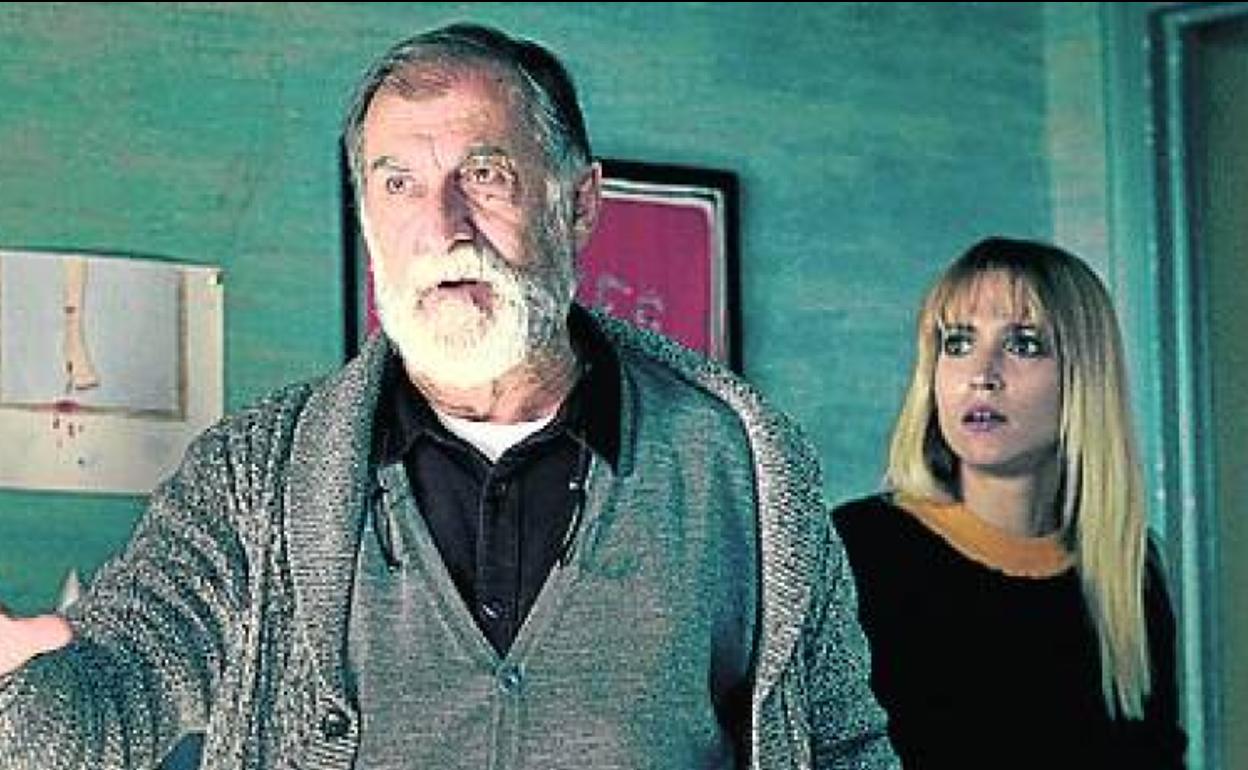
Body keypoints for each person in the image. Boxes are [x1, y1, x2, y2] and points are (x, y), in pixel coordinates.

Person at [0, 22, 898, 770]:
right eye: (399, 184)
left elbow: (844, 745)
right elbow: (119, 679)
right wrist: (22, 696)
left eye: (485, 174)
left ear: (579, 204)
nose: (442, 227)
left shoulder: (745, 468)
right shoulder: (252, 476)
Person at [831, 236, 1187, 769]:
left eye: (1023, 344)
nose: (982, 374)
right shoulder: (858, 550)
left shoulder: (1131, 571)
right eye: (958, 343)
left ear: (1084, 378)